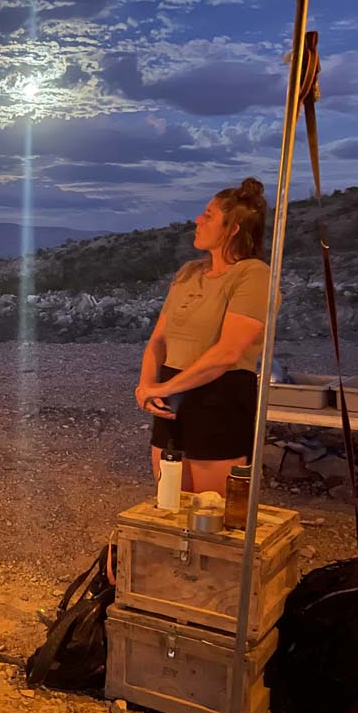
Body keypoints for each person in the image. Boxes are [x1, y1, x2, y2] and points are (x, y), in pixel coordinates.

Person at [135, 178, 272, 495]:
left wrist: (164, 387)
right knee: (168, 501)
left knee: (210, 510)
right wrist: (148, 386)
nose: (198, 220)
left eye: (208, 215)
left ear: (233, 227)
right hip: (170, 397)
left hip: (219, 397)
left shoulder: (253, 275)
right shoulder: (189, 272)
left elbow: (227, 353)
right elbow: (158, 340)